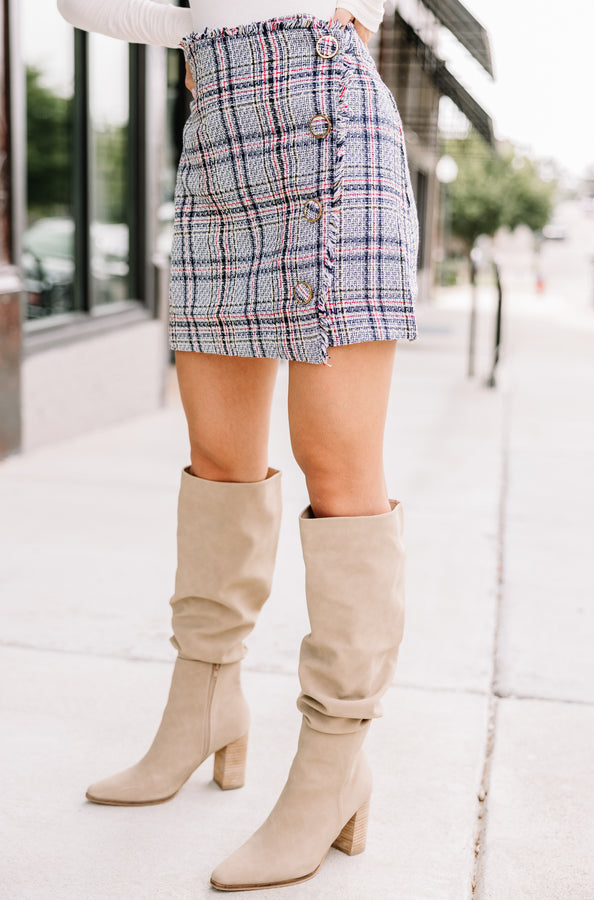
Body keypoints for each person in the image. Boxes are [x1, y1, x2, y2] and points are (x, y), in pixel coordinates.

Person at [57, 0, 419, 891]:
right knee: (219, 457)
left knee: (336, 466)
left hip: (331, 129)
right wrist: (195, 26)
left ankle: (336, 762)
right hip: (220, 144)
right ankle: (206, 703)